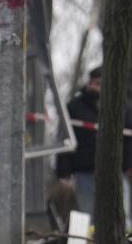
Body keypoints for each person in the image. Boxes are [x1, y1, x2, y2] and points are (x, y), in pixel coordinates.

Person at [56, 66, 132, 216]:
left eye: (97, 84)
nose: (92, 87)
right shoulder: (74, 107)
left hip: (116, 171)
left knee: (120, 215)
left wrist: (129, 164)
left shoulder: (124, 106)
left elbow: (129, 138)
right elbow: (64, 139)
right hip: (84, 172)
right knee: (89, 217)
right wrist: (64, 171)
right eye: (91, 83)